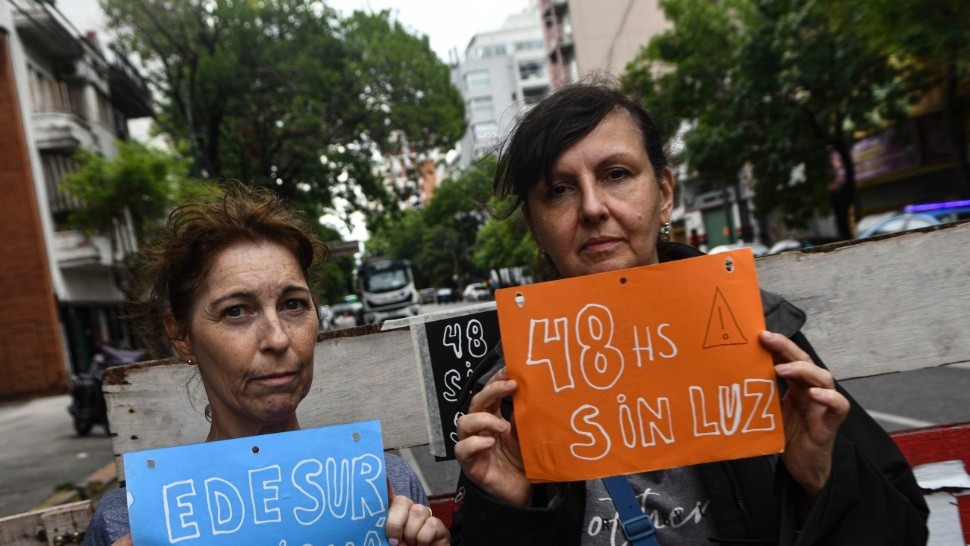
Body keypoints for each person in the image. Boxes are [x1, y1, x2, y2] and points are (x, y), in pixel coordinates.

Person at [451, 83, 928, 545]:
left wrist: (819, 477)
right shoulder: (505, 392)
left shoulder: (759, 338)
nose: (593, 207)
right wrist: (507, 510)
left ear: (664, 194)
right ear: (535, 228)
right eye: (558, 190)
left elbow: (904, 527)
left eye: (616, 174)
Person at [84, 186, 449, 546]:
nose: (277, 338)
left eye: (293, 305)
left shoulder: (388, 488)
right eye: (236, 311)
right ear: (182, 336)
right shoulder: (127, 524)